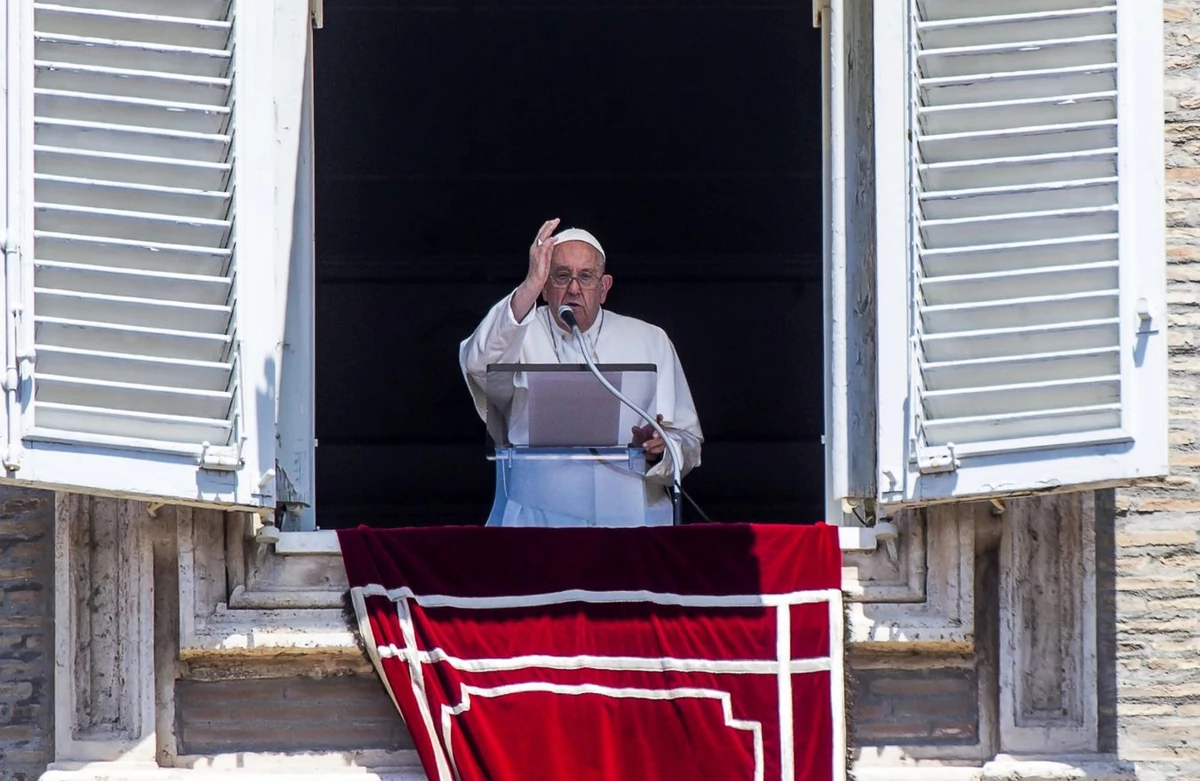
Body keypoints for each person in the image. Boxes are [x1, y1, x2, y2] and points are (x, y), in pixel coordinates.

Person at [459, 218, 703, 527]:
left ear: (604, 288)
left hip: (630, 521)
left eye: (586, 276)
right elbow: (478, 364)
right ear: (545, 287)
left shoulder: (649, 339)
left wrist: (659, 448)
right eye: (560, 276)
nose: (574, 288)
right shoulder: (517, 331)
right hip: (537, 521)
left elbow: (688, 442)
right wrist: (529, 284)